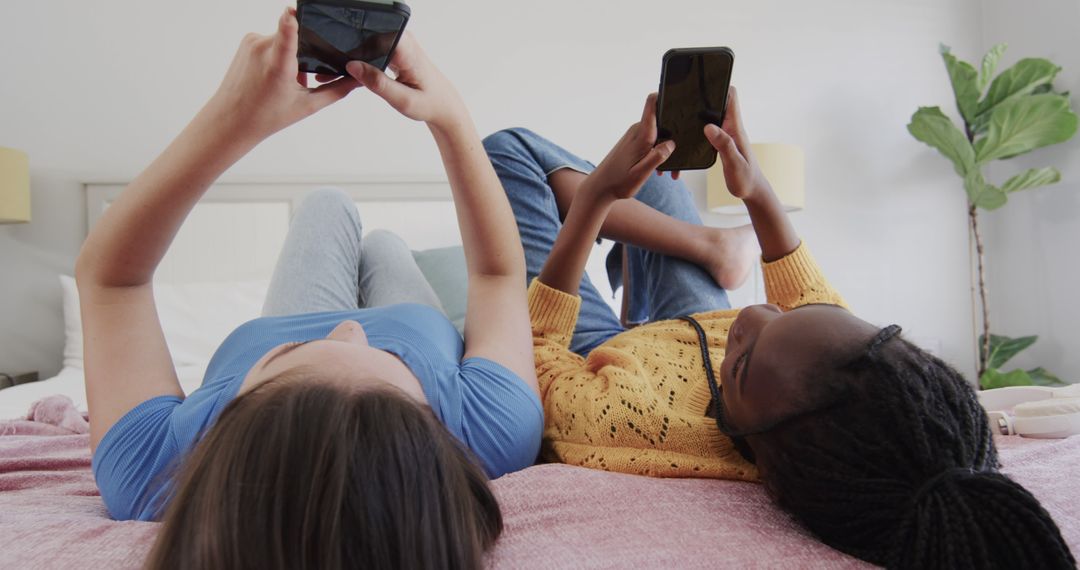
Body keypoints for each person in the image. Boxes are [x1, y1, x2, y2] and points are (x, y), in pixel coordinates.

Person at [483, 89, 1076, 568]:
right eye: (789, 317)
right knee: (665, 176)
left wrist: (593, 204)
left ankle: (678, 252)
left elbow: (535, 352)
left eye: (742, 360)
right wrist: (759, 193)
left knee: (509, 150)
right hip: (689, 321)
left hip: (598, 355)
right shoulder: (831, 387)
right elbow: (808, 296)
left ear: (744, 426)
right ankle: (709, 247)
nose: (752, 312)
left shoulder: (632, 427)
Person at [76, 10, 541, 569]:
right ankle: (388, 262)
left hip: (305, 316)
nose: (350, 328)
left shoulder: (152, 474)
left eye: (291, 358)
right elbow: (495, 276)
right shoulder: (493, 429)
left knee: (326, 203)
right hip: (416, 323)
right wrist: (448, 117)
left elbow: (112, 280)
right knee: (388, 248)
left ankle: (348, 310)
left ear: (226, 426)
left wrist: (233, 119)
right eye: (385, 359)